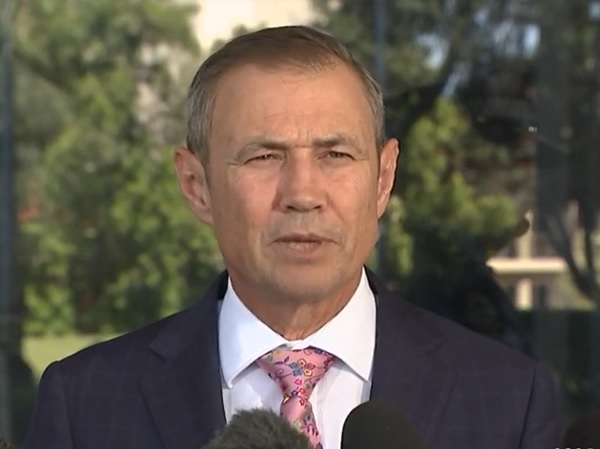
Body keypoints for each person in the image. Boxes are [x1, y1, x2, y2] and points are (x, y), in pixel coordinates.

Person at [24, 25, 562, 449]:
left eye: (336, 154)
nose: (303, 194)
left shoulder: (509, 401)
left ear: (382, 179)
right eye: (264, 157)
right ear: (196, 186)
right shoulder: (87, 405)